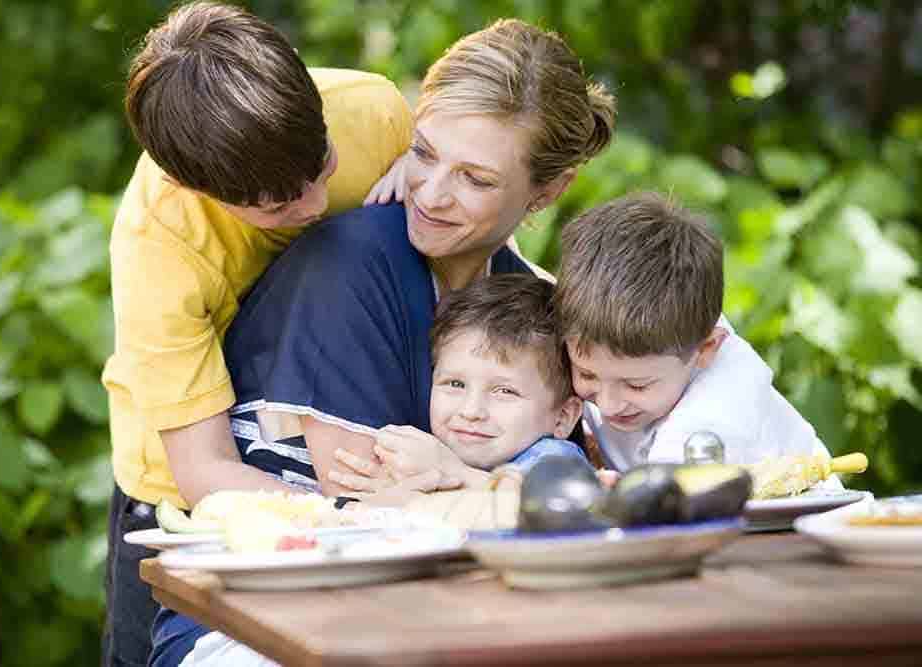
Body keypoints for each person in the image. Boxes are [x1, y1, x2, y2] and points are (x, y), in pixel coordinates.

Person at [150, 17, 616, 667]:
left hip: (436, 608)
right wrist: (492, 494)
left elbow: (565, 492)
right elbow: (378, 520)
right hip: (261, 619)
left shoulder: (521, 302)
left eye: (475, 179)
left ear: (548, 189)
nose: (430, 193)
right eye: (422, 153)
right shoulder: (353, 264)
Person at [100, 2, 412, 664]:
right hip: (190, 494)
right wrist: (360, 521)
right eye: (279, 207)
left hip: (341, 437)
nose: (317, 205)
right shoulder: (160, 239)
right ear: (195, 186)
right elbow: (204, 470)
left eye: (323, 165)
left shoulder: (370, 109)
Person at [554, 192, 836, 470]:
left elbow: (668, 498)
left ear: (706, 349)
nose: (608, 404)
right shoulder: (672, 334)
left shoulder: (718, 409)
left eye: (637, 385)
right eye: (586, 374)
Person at [328, 274, 587, 499]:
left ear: (563, 416)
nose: (471, 411)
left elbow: (554, 506)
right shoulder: (434, 458)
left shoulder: (553, 460)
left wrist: (455, 475)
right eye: (455, 383)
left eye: (505, 391)